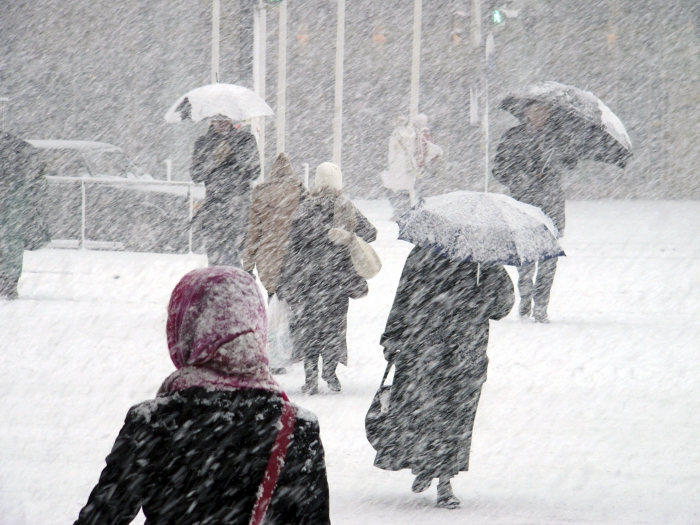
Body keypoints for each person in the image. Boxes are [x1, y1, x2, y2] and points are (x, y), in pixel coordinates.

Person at [73, 267, 330, 525]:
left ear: (185, 328)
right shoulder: (296, 426)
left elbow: (101, 518)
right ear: (256, 325)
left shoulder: (155, 422)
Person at [374, 246, 514, 509]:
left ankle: (440, 475)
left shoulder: (437, 254)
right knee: (443, 417)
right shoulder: (472, 258)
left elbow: (499, 308)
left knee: (443, 416)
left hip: (443, 352)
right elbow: (501, 307)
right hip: (445, 352)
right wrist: (393, 336)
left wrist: (392, 336)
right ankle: (433, 470)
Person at [276, 162, 377, 395]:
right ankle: (330, 373)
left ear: (318, 183)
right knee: (334, 327)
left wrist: (284, 280)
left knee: (309, 328)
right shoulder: (347, 207)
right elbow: (371, 233)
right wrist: (349, 236)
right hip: (337, 281)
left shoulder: (305, 208)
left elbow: (292, 247)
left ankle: (310, 379)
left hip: (309, 281)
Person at [492, 101, 578, 323]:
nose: (541, 114)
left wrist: (560, 155)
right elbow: (499, 168)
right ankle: (525, 298)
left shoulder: (560, 136)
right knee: (526, 257)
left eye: (545, 110)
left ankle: (541, 306)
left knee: (549, 257)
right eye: (536, 110)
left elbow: (572, 163)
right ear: (526, 112)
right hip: (525, 204)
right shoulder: (513, 136)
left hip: (551, 204)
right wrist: (520, 178)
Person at [190, 117, 259, 267]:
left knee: (238, 259)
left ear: (231, 118)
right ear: (210, 120)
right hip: (215, 209)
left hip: (240, 208)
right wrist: (213, 160)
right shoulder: (203, 143)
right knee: (217, 259)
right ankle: (221, 286)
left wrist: (234, 152)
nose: (221, 122)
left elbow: (255, 171)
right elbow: (196, 175)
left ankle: (236, 285)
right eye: (216, 118)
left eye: (224, 117)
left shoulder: (246, 140)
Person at [242, 152, 304, 297]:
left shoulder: (260, 197)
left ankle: (274, 317)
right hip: (292, 259)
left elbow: (253, 235)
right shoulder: (301, 194)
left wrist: (248, 267)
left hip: (267, 259)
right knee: (293, 305)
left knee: (273, 298)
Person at [0, 132, 49, 299]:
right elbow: (39, 183)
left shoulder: (16, 149)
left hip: (13, 203)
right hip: (15, 204)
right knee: (11, 242)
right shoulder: (20, 148)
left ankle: (7, 282)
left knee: (10, 241)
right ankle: (8, 282)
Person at [381, 116, 418, 220]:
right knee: (406, 189)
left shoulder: (395, 134)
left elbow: (392, 152)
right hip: (408, 163)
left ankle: (398, 212)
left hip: (397, 164)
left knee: (392, 188)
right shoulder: (411, 133)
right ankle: (407, 211)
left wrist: (389, 163)